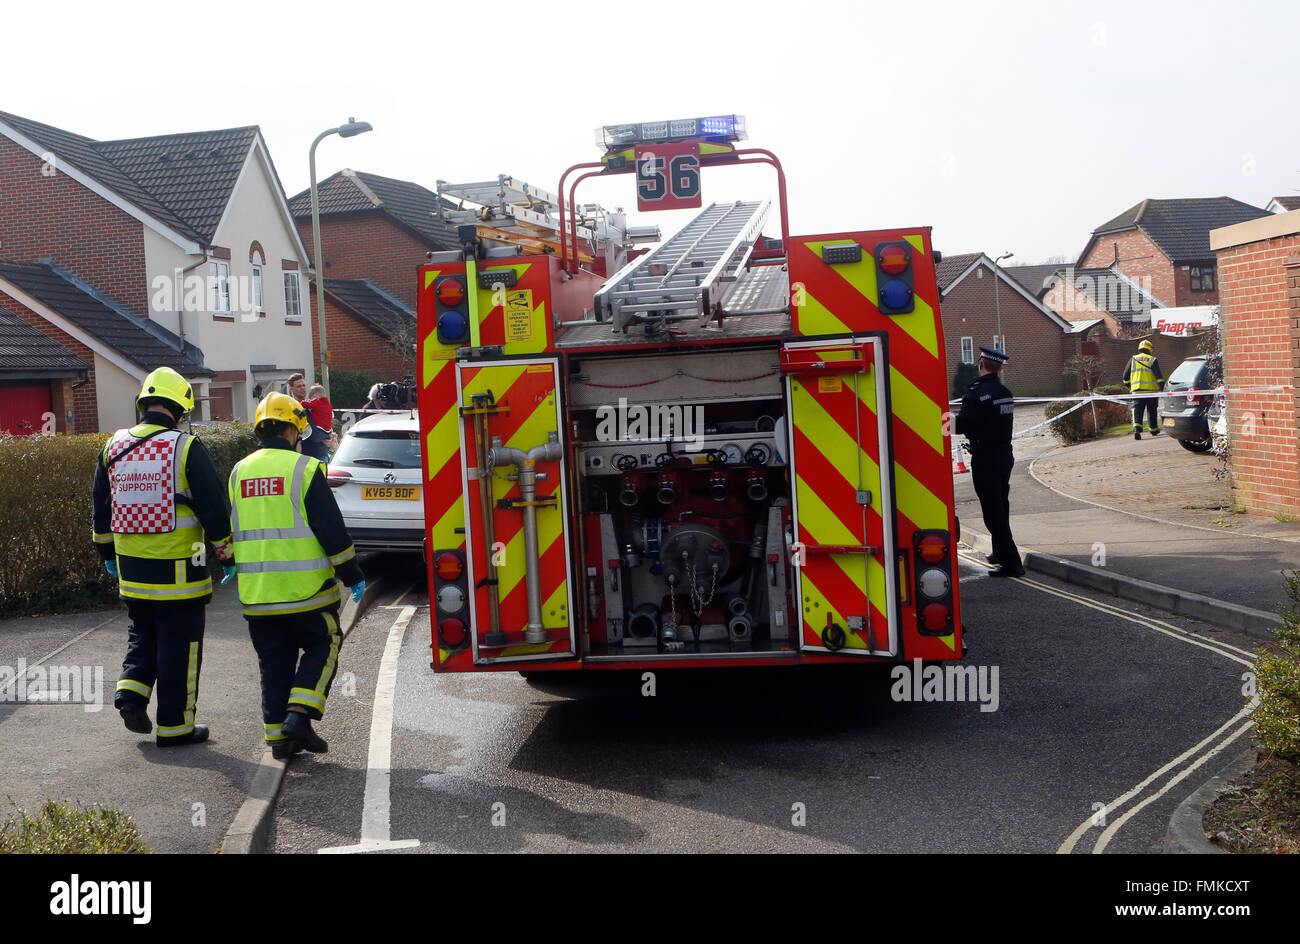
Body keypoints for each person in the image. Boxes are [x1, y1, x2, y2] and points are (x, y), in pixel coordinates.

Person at [92, 367, 235, 746]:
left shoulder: (113, 446)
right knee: (180, 646)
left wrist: (107, 553)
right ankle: (176, 727)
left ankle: (130, 696)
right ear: (180, 409)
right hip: (180, 572)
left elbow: (100, 508)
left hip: (131, 570)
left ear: (144, 404)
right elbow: (213, 509)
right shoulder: (185, 447)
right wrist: (227, 555)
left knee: (143, 633)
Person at [228, 392, 366, 760]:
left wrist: (227, 562)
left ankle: (281, 740)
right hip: (307, 593)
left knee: (273, 665)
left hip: (257, 596)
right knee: (326, 643)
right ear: (293, 429)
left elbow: (233, 529)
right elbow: (331, 532)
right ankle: (300, 715)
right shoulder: (305, 469)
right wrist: (351, 574)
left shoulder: (238, 471)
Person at [955, 347, 1024, 578]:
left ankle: (1012, 563)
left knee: (993, 512)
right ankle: (999, 552)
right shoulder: (1004, 391)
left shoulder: (976, 392)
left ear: (981, 364)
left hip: (985, 457)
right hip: (1004, 454)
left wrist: (942, 421)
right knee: (1000, 505)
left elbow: (964, 424)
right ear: (1000, 367)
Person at [287, 371, 337, 462]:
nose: (302, 388)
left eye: (303, 385)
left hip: (322, 454)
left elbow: (326, 423)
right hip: (305, 456)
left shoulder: (314, 404)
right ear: (291, 389)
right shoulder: (292, 408)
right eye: (299, 386)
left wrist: (331, 436)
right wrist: (322, 438)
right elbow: (305, 432)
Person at [1123, 339, 1165, 440]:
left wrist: (1129, 385)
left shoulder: (1133, 359)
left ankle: (1137, 430)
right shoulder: (1152, 359)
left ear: (1139, 349)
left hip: (1137, 391)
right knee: (1152, 411)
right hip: (1151, 392)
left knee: (1138, 411)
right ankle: (1154, 430)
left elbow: (1125, 376)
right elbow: (1159, 376)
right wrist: (1162, 387)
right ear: (1150, 349)